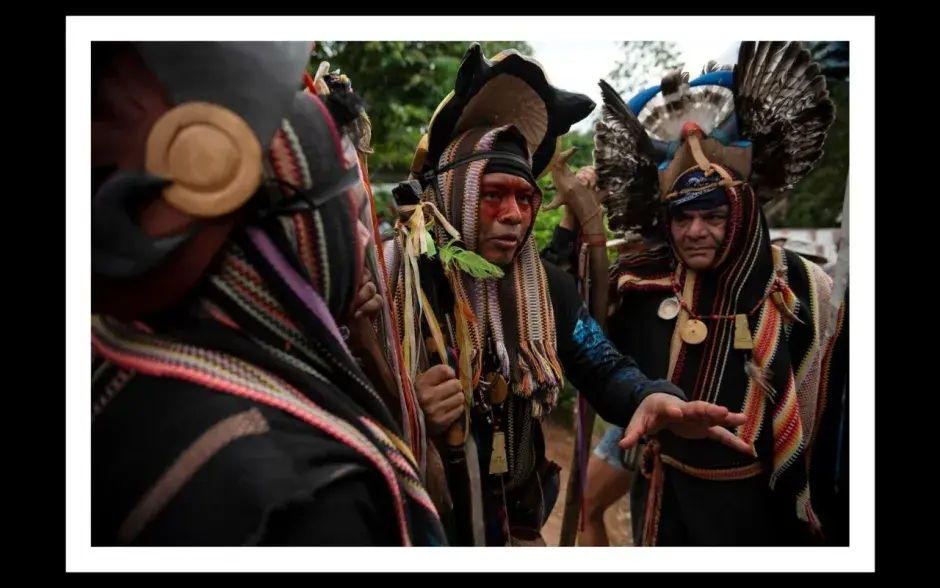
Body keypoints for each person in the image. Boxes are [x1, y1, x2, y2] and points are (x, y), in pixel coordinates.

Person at [383, 43, 749, 547]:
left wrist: (649, 395)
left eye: (525, 198)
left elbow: (601, 365)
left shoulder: (546, 287)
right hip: (414, 527)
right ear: (456, 194)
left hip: (516, 527)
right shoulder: (395, 281)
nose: (514, 215)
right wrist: (407, 412)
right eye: (493, 195)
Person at [91, 41, 445, 546]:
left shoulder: (117, 362)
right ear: (296, 231)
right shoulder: (317, 493)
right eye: (350, 214)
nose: (367, 238)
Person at [551, 42, 839, 546]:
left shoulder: (799, 288)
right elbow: (558, 311)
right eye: (682, 218)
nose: (695, 231)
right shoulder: (639, 284)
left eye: (712, 216)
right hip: (663, 496)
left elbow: (831, 421)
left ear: (741, 213)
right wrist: (575, 220)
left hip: (761, 513)